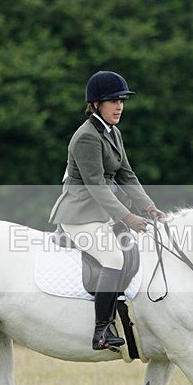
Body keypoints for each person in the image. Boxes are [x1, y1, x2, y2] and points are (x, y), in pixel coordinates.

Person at [49, 70, 165, 350]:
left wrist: (149, 206)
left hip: (101, 214)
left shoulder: (113, 133)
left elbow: (127, 175)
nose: (119, 107)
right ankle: (101, 331)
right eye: (113, 101)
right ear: (97, 104)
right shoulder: (86, 137)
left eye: (122, 101)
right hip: (79, 216)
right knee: (113, 257)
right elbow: (96, 187)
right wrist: (128, 217)